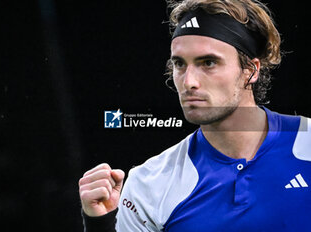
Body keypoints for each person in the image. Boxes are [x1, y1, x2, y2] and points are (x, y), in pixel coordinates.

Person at [79, 0, 311, 231]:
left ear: (251, 70)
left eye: (208, 62)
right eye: (180, 64)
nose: (189, 82)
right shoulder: (147, 184)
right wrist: (101, 226)